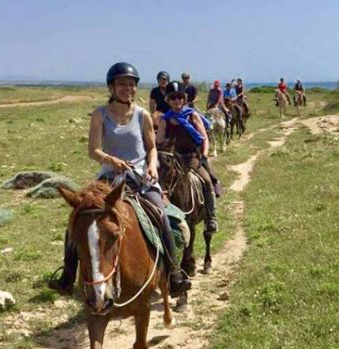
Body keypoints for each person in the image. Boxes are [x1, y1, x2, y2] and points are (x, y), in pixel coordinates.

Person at [50, 62, 191, 297]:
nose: (128, 88)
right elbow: (93, 150)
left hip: (140, 177)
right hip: (109, 179)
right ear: (112, 87)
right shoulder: (100, 114)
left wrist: (153, 168)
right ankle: (67, 275)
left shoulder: (142, 115)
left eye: (132, 84)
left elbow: (151, 148)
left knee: (161, 214)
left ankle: (174, 273)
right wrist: (111, 160)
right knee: (78, 219)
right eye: (122, 84)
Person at [158, 82, 218, 234]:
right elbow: (159, 142)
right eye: (173, 98)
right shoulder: (165, 120)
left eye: (179, 97)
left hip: (192, 158)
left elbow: (204, 138)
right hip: (173, 160)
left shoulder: (192, 116)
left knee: (207, 181)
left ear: (184, 99)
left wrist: (204, 156)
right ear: (168, 100)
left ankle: (211, 217)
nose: (177, 101)